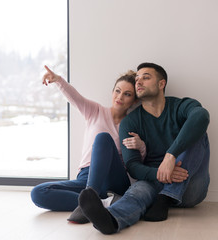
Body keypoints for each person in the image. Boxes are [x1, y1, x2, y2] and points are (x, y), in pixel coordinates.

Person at [78, 62, 210, 234]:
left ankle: (167, 197)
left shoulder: (180, 106)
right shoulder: (130, 121)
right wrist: (159, 173)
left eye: (146, 78)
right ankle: (111, 220)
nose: (138, 82)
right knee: (136, 193)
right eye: (137, 79)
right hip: (153, 183)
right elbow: (132, 166)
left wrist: (171, 156)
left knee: (199, 132)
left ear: (161, 84)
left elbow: (202, 116)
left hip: (189, 184)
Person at [30, 65, 146, 223]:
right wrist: (58, 80)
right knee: (38, 193)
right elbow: (75, 98)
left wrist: (141, 146)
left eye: (127, 94)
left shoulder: (132, 125)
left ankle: (91, 199)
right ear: (112, 92)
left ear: (134, 100)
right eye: (117, 91)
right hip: (86, 176)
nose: (120, 97)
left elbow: (137, 163)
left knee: (103, 138)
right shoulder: (95, 111)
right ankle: (101, 203)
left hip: (114, 179)